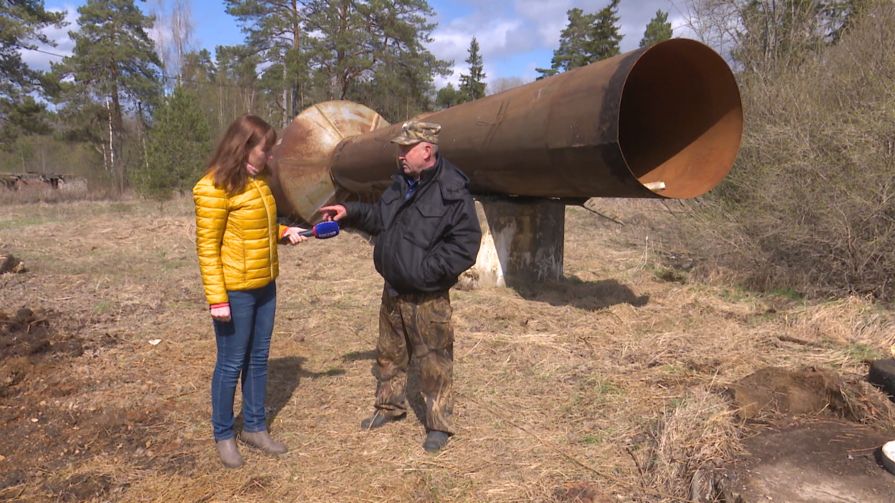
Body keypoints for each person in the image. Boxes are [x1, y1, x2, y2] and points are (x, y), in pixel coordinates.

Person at [320, 120, 482, 453]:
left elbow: (465, 244)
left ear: (427, 150)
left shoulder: (451, 189)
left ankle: (438, 424)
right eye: (399, 149)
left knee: (434, 361)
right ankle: (389, 407)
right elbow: (380, 218)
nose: (400, 156)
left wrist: (425, 273)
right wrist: (348, 211)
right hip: (393, 286)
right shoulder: (400, 184)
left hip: (426, 295)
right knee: (389, 355)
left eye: (405, 149)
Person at [193, 114, 307, 468]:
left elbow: (256, 229)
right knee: (230, 364)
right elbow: (208, 249)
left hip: (265, 286)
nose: (270, 156)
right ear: (244, 147)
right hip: (235, 292)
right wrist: (217, 300)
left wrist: (282, 232)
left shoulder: (257, 183)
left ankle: (255, 427)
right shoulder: (212, 188)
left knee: (258, 360)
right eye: (265, 149)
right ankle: (224, 434)